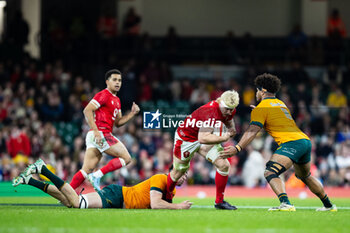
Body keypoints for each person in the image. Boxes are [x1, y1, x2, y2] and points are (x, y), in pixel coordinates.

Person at [219, 73, 337, 212]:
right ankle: (329, 206)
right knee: (305, 176)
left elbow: (252, 130)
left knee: (270, 171)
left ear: (262, 90)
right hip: (304, 141)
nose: (256, 93)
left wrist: (238, 148)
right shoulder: (281, 104)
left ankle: (285, 203)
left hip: (292, 143)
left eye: (257, 90)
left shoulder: (262, 106)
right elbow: (277, 120)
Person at [12, 159, 192, 210]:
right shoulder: (161, 178)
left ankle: (30, 180)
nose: (184, 177)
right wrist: (178, 207)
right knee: (77, 203)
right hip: (118, 195)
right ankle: (43, 169)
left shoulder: (172, 190)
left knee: (70, 201)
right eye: (182, 173)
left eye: (186, 174)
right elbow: (155, 204)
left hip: (119, 197)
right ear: (173, 172)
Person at [166, 90, 239, 210]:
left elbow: (229, 120)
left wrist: (231, 129)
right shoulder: (211, 112)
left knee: (224, 165)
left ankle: (219, 202)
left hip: (203, 137)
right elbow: (203, 138)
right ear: (221, 102)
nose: (230, 111)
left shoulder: (228, 108)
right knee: (178, 171)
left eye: (232, 109)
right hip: (186, 139)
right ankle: (166, 200)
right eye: (227, 109)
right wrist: (224, 137)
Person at [70, 69, 140, 191]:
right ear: (107, 82)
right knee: (127, 158)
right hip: (100, 133)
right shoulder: (104, 94)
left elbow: (118, 123)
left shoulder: (117, 100)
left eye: (119, 80)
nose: (118, 82)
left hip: (95, 135)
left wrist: (132, 114)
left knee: (86, 169)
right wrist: (96, 131)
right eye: (114, 80)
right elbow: (87, 110)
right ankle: (97, 176)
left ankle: (67, 193)